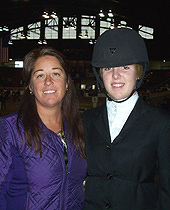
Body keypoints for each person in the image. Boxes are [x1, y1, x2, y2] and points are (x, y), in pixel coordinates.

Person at [82, 27, 170, 209]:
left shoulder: (161, 123)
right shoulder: (85, 120)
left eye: (125, 67)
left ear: (138, 72)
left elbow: (166, 189)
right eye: (108, 68)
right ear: (101, 76)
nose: (116, 75)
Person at [0, 46, 87, 210]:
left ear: (67, 83)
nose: (48, 81)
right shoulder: (9, 129)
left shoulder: (78, 128)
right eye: (40, 75)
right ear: (31, 87)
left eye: (56, 73)